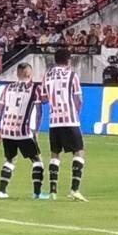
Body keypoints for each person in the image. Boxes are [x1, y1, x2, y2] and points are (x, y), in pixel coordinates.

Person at [0, 63, 47, 200]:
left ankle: (2, 191)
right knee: (37, 161)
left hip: (7, 130)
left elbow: (0, 110)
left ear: (17, 74)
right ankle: (37, 193)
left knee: (10, 160)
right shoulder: (35, 88)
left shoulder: (8, 87)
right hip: (24, 131)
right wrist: (36, 130)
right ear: (30, 74)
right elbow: (40, 110)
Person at [42, 48, 87, 201]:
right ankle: (74, 189)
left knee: (55, 154)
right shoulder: (72, 75)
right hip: (70, 119)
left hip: (54, 121)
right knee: (79, 152)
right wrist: (76, 114)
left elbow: (43, 98)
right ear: (68, 60)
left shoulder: (47, 75)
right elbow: (78, 99)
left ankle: (53, 191)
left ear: (55, 60)